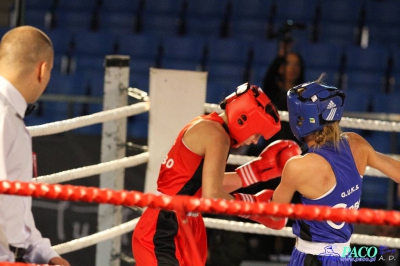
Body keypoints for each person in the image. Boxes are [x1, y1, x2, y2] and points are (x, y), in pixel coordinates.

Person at [132, 83, 301, 265]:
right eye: (257, 134)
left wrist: (254, 172)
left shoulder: (210, 126)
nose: (254, 141)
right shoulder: (217, 136)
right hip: (166, 226)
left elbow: (202, 185)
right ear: (244, 119)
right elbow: (212, 196)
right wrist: (255, 208)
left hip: (185, 223)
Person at [271, 75, 400, 265]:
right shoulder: (357, 144)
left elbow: (274, 214)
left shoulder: (298, 166)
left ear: (303, 119)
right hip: (344, 256)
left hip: (309, 257)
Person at [0, 26, 70, 265]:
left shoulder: (10, 115)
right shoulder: (3, 116)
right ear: (42, 70)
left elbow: (13, 205)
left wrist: (44, 253)